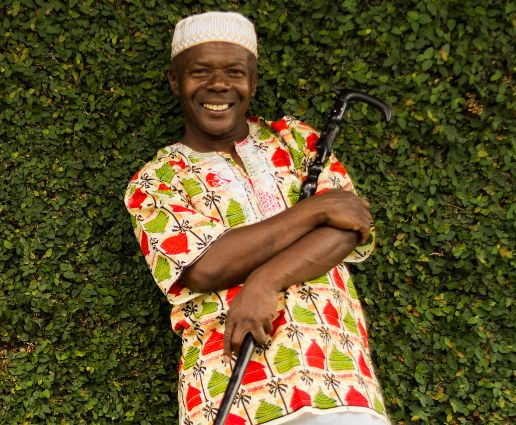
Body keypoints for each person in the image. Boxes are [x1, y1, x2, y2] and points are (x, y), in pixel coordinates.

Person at [125, 11, 390, 425]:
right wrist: (314, 210)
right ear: (175, 81)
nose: (218, 84)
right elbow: (206, 266)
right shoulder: (156, 182)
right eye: (200, 71)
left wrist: (265, 281)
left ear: (252, 80)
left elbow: (350, 225)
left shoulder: (299, 140)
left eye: (234, 72)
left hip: (339, 380)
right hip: (232, 391)